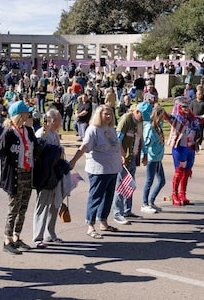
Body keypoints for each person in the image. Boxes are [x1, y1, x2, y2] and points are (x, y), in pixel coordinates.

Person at [0, 101, 38, 255]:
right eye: (25, 112)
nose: (28, 115)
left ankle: (17, 237)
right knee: (13, 208)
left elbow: (36, 150)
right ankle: (7, 240)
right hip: (15, 175)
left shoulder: (28, 130)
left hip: (27, 174)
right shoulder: (9, 133)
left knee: (23, 208)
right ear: (19, 115)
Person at [68, 104, 124, 239]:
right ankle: (90, 225)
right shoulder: (93, 130)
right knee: (96, 196)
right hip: (98, 170)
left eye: (111, 114)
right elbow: (84, 146)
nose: (109, 116)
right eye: (106, 114)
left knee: (108, 196)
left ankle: (103, 221)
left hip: (112, 168)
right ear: (99, 115)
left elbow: (117, 143)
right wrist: (74, 161)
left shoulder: (110, 129)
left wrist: (122, 155)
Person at [165, 96, 204, 205]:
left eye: (187, 106)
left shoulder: (193, 119)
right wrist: (159, 109)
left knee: (187, 172)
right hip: (180, 148)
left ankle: (182, 194)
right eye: (183, 106)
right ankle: (174, 195)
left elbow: (202, 118)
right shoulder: (176, 119)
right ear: (179, 107)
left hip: (191, 148)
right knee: (179, 172)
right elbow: (167, 116)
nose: (186, 108)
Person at [32, 108, 70, 246]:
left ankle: (50, 234)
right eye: (60, 120)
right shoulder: (42, 133)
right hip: (44, 176)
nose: (61, 123)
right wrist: (57, 152)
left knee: (54, 205)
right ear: (53, 121)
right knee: (42, 206)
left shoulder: (54, 134)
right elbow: (38, 153)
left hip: (55, 174)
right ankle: (37, 237)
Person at [112, 102, 145, 225]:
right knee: (121, 185)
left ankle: (127, 210)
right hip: (123, 158)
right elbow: (117, 139)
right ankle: (117, 213)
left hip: (132, 158)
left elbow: (138, 140)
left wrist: (143, 154)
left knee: (129, 184)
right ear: (137, 112)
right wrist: (122, 155)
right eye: (142, 115)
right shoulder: (126, 119)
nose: (143, 119)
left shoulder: (138, 122)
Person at [140, 102, 166, 213]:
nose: (164, 117)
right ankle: (144, 203)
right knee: (149, 181)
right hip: (151, 158)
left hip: (158, 158)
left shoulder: (159, 126)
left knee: (162, 181)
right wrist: (144, 156)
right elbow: (146, 144)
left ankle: (151, 201)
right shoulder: (150, 129)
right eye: (162, 115)